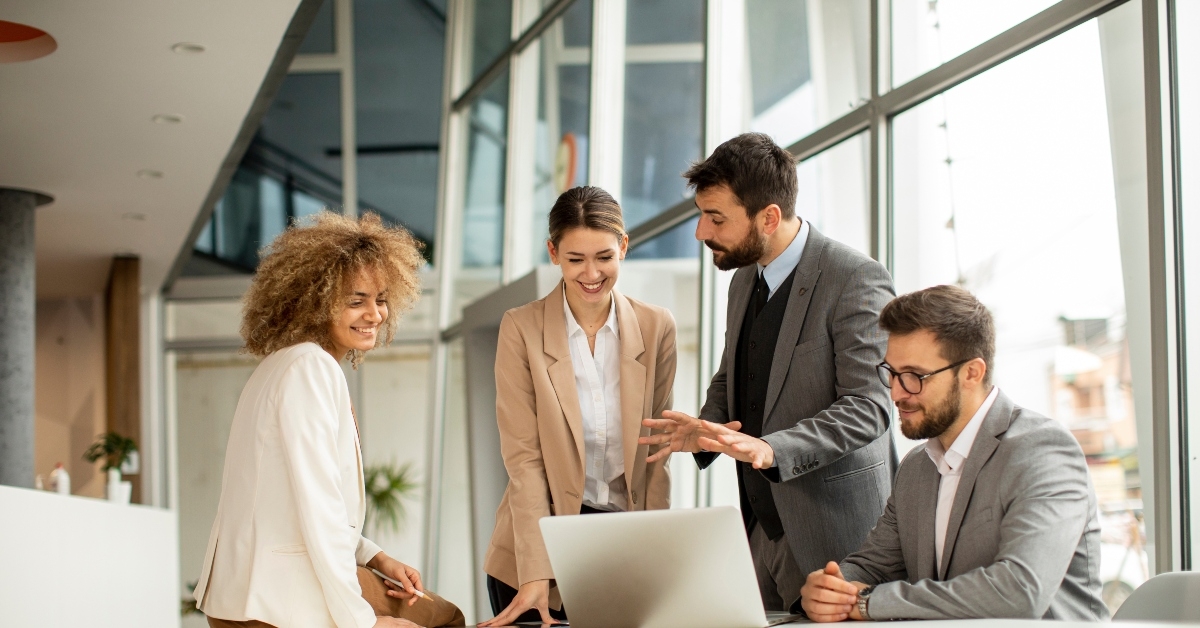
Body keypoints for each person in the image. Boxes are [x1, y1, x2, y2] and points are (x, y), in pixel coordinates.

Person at [641, 132, 896, 612]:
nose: (701, 232)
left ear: (769, 217)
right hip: (760, 529)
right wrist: (705, 427)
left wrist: (770, 448)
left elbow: (870, 407)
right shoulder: (743, 279)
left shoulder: (854, 278)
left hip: (838, 537)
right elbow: (732, 373)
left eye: (716, 218)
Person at [194, 212, 464, 628]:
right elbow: (317, 506)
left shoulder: (280, 365)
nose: (374, 314)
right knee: (445, 617)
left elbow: (293, 502)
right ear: (315, 301)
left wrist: (377, 557)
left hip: (240, 599)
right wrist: (364, 622)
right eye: (356, 301)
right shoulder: (310, 368)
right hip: (280, 599)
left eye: (381, 299)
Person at [798, 285, 1108, 622]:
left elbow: (1020, 592)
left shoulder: (1043, 451)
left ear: (972, 373)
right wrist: (830, 588)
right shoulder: (917, 466)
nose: (898, 393)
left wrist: (867, 603)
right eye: (891, 373)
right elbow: (874, 564)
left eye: (915, 376)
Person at [480, 186, 677, 626]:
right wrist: (536, 572)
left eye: (604, 257)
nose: (592, 273)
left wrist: (657, 558)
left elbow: (656, 453)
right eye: (575, 260)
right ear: (553, 252)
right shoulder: (521, 329)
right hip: (537, 548)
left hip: (622, 546)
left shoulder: (656, 326)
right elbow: (524, 460)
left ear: (623, 247)